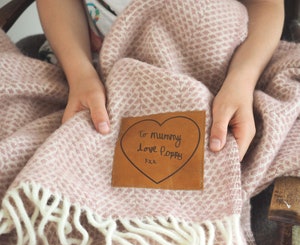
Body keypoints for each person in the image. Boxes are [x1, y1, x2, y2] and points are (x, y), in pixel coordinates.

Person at [36, 0, 284, 161]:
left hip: (225, 73)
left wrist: (242, 80)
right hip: (91, 69)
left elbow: (266, 3)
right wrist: (80, 74)